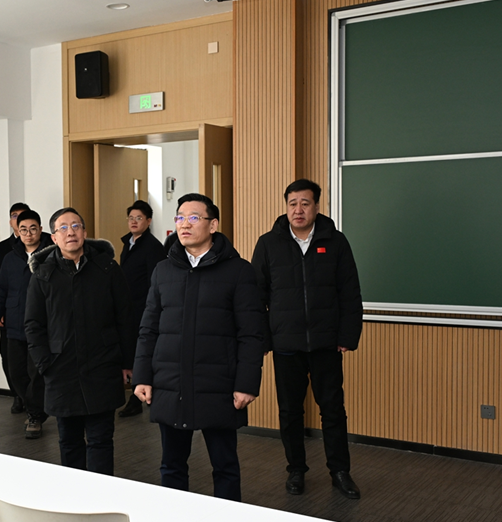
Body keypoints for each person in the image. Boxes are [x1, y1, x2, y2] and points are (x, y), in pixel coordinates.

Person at [132, 193, 264, 502]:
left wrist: (246, 383)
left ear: (213, 225)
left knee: (225, 466)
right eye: (180, 218)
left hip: (218, 384)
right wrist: (142, 376)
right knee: (172, 465)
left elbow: (251, 334)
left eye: (194, 218)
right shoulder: (163, 271)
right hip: (170, 382)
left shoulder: (239, 271)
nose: (185, 224)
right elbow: (148, 329)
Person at [251, 178, 363, 500]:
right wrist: (265, 340)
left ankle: (340, 471)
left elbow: (350, 292)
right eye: (292, 203)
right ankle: (296, 470)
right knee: (290, 412)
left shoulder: (335, 242)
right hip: (286, 345)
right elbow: (256, 297)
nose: (298, 209)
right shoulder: (269, 244)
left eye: (305, 203)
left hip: (326, 343)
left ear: (316, 206)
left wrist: (347, 336)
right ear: (286, 207)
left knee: (333, 410)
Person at [25, 208, 134, 475]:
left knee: (101, 440)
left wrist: (127, 362)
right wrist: (45, 364)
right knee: (69, 441)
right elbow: (33, 325)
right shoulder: (43, 275)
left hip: (102, 366)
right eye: (63, 228)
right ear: (53, 237)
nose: (70, 232)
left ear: (84, 232)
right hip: (60, 369)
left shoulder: (107, 268)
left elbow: (125, 317)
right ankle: (74, 496)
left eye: (76, 226)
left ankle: (100, 495)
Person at [0, 210, 53, 439]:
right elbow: (0, 290)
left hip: (41, 325)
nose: (28, 233)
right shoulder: (10, 258)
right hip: (14, 324)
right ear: (17, 231)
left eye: (33, 228)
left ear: (40, 229)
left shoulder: (52, 255)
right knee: (16, 373)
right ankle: (36, 409)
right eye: (23, 229)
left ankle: (35, 416)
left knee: (36, 374)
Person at [118, 200, 166, 418]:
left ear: (148, 221)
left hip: (143, 308)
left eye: (139, 218)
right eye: (131, 218)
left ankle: (138, 398)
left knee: (142, 352)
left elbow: (155, 283)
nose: (134, 222)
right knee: (130, 350)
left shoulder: (153, 247)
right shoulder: (128, 243)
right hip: (127, 308)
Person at [0, 202, 31, 414]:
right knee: (9, 357)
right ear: (10, 221)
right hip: (9, 313)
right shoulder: (1, 249)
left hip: (33, 313)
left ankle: (34, 401)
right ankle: (18, 395)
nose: (18, 219)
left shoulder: (45, 244)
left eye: (22, 215)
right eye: (14, 216)